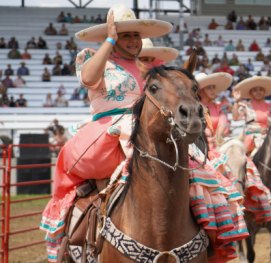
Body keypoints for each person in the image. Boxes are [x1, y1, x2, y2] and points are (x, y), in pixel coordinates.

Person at [42, 6, 245, 262]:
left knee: (200, 173)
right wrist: (109, 40)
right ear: (113, 36)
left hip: (150, 125)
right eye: (125, 35)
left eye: (136, 35)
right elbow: (88, 79)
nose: (133, 40)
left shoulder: (154, 68)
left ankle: (214, 232)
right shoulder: (92, 56)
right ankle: (79, 238)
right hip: (107, 127)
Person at [196, 72, 271, 224]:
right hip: (201, 146)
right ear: (200, 91)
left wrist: (218, 134)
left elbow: (224, 121)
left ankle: (252, 202)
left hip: (220, 144)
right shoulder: (195, 107)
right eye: (208, 88)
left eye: (214, 87)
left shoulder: (221, 106)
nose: (213, 90)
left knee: (244, 162)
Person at [232, 76, 271, 156]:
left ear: (264, 92)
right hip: (250, 139)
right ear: (250, 93)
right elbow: (235, 118)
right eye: (255, 90)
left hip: (267, 137)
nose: (258, 92)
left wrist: (267, 129)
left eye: (261, 90)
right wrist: (236, 101)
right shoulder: (246, 106)